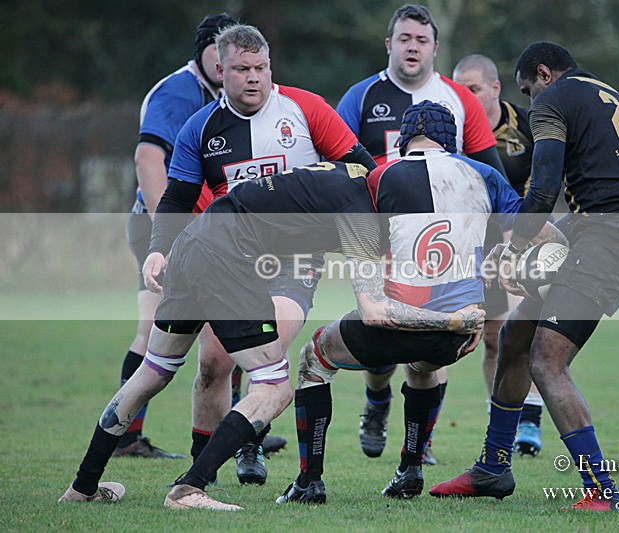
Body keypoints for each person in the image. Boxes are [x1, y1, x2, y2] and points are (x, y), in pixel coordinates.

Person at [57, 160, 485, 511]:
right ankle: (190, 489)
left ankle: (83, 486)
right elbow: (374, 312)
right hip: (226, 255)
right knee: (275, 386)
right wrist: (455, 320)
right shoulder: (361, 213)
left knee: (153, 371)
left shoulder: (351, 172)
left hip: (193, 241)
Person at [429, 41, 619, 512]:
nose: (531, 104)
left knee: (547, 361)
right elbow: (613, 192)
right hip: (614, 231)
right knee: (514, 338)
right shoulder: (603, 93)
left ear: (544, 74)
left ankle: (602, 491)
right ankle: (493, 468)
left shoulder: (554, 99)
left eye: (528, 91)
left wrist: (514, 250)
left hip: (608, 242)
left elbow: (545, 187)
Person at [146, 23, 376, 486]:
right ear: (221, 70)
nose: (253, 77)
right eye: (242, 69)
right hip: (227, 259)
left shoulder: (306, 108)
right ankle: (202, 470)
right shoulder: (201, 127)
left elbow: (362, 171)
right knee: (213, 363)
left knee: (269, 345)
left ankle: (247, 443)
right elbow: (176, 198)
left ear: (270, 67)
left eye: (261, 68)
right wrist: (158, 249)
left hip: (295, 259)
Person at [277, 101, 526, 504]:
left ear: (405, 141)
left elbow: (365, 249)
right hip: (459, 334)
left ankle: (309, 482)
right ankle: (410, 470)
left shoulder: (379, 176)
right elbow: (532, 230)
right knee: (423, 367)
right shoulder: (485, 175)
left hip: (394, 325)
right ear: (453, 141)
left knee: (314, 357)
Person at [336, 3, 505, 464]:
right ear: (389, 44)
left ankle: (421, 440)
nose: (413, 47)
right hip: (387, 238)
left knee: (430, 349)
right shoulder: (361, 96)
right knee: (381, 346)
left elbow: (488, 174)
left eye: (422, 40)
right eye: (405, 38)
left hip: (445, 243)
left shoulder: (459, 99)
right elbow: (340, 167)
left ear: (435, 48)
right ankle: (376, 403)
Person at [114, 13, 235, 460]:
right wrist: (171, 234)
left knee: (215, 328)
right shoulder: (178, 91)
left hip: (188, 230)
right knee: (206, 326)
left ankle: (235, 430)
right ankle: (232, 433)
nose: (227, 64)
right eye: (217, 53)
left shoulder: (217, 95)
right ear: (203, 50)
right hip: (159, 226)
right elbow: (148, 158)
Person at [452, 54, 545, 457]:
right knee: (492, 339)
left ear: (494, 89)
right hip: (477, 245)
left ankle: (531, 423)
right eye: (458, 89)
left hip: (526, 239)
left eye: (471, 88)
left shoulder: (529, 124)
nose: (463, 97)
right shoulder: (450, 127)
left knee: (528, 332)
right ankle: (501, 424)